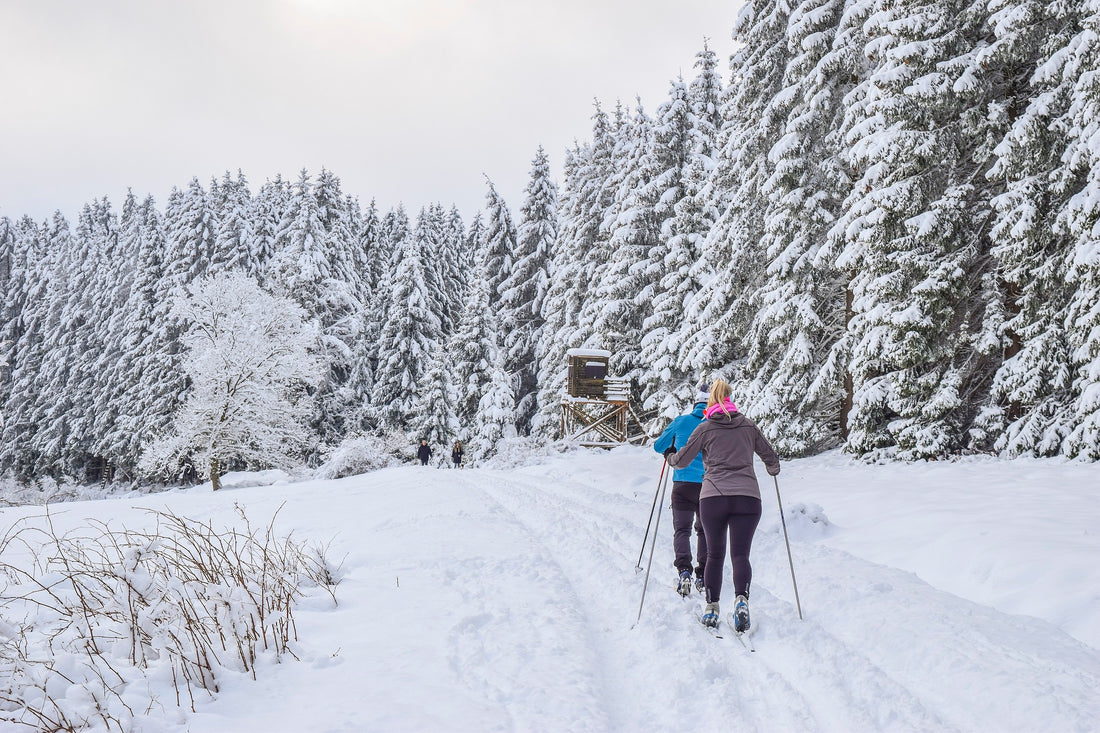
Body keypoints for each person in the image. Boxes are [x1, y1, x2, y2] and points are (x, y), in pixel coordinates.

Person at [665, 378, 780, 632]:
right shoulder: (748, 426)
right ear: (730, 398)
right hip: (748, 498)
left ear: (710, 402)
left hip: (713, 497)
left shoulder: (705, 428)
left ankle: (712, 608)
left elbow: (682, 460)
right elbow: (771, 457)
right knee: (740, 555)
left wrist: (670, 457)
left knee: (715, 555)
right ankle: (741, 601)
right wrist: (773, 468)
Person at [652, 384, 710, 597]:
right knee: (704, 531)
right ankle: (703, 574)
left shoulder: (682, 421)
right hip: (708, 486)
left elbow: (659, 446)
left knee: (682, 530)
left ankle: (684, 571)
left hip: (682, 484)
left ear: (695, 404)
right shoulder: (713, 423)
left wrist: (671, 449)